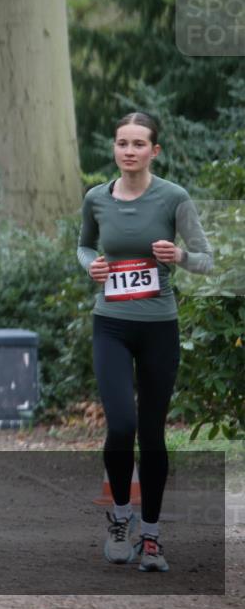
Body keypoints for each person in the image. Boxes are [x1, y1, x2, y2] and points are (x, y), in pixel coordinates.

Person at [77, 112, 212, 573]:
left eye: (138, 144)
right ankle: (119, 518)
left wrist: (181, 256)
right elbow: (83, 246)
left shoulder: (173, 197)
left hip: (159, 325)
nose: (128, 151)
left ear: (154, 151)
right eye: (122, 143)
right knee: (121, 424)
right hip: (111, 324)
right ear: (114, 149)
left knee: (152, 433)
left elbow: (206, 260)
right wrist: (91, 264)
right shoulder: (96, 198)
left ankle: (151, 535)